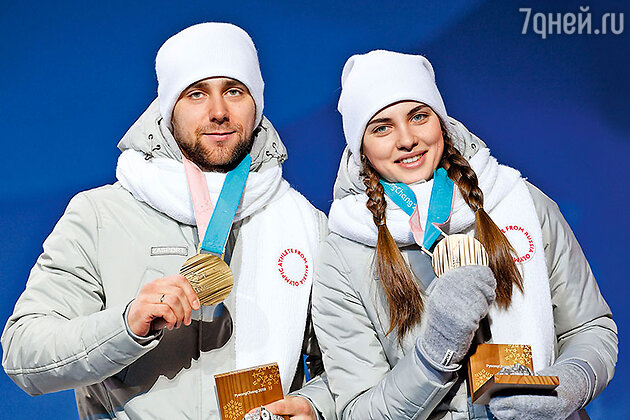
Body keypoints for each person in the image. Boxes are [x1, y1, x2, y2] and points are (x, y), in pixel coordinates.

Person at [2, 23, 335, 420]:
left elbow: (346, 365)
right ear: (168, 108)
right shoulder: (101, 215)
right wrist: (126, 325)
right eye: (196, 94)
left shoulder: (303, 222)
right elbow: (23, 355)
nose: (218, 112)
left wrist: (315, 405)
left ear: (256, 103)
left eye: (234, 91)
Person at [312, 50, 618, 419]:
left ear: (440, 121)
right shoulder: (345, 252)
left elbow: (590, 327)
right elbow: (358, 411)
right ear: (361, 147)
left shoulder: (518, 200)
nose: (407, 139)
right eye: (382, 127)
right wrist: (436, 349)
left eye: (418, 116)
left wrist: (569, 384)